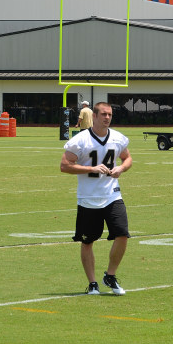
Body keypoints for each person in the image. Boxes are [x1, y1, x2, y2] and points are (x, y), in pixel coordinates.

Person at [59, 101, 132, 296]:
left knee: (122, 234)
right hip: (88, 198)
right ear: (95, 116)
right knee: (88, 241)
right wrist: (91, 168)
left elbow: (127, 158)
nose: (107, 118)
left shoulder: (117, 138)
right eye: (103, 115)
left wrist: (121, 168)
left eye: (109, 115)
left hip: (112, 195)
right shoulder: (80, 140)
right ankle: (92, 283)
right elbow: (64, 165)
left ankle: (110, 275)